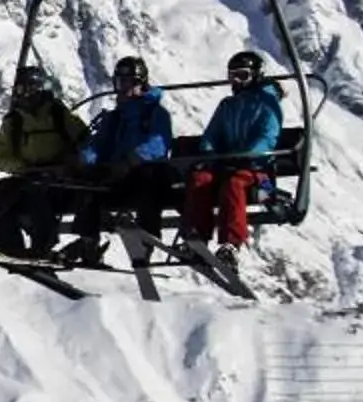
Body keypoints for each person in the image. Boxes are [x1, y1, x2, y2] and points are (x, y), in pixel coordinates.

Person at [62, 56, 174, 266]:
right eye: (118, 83)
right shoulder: (114, 118)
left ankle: (147, 238)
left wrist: (132, 160)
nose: (121, 88)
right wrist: (83, 160)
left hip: (140, 175)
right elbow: (98, 145)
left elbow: (159, 144)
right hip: (116, 177)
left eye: (127, 82)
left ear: (140, 83)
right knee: (88, 181)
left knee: (149, 176)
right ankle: (89, 241)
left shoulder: (155, 114)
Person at [179, 50, 285, 260]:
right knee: (200, 179)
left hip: (259, 170)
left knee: (234, 184)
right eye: (232, 76)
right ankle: (196, 238)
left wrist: (246, 156)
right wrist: (209, 156)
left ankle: (231, 243)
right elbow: (211, 135)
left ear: (256, 75)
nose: (236, 82)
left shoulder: (268, 104)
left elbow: (268, 137)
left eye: (242, 75)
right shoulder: (228, 105)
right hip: (225, 164)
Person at [0, 65, 89, 258]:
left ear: (39, 88)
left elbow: (86, 142)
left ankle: (43, 245)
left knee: (36, 189)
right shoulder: (14, 122)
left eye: (27, 89)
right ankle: (11, 248)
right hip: (29, 175)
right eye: (19, 89)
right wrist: (23, 168)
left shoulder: (58, 115)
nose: (23, 94)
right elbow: (1, 158)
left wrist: (70, 165)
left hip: (62, 181)